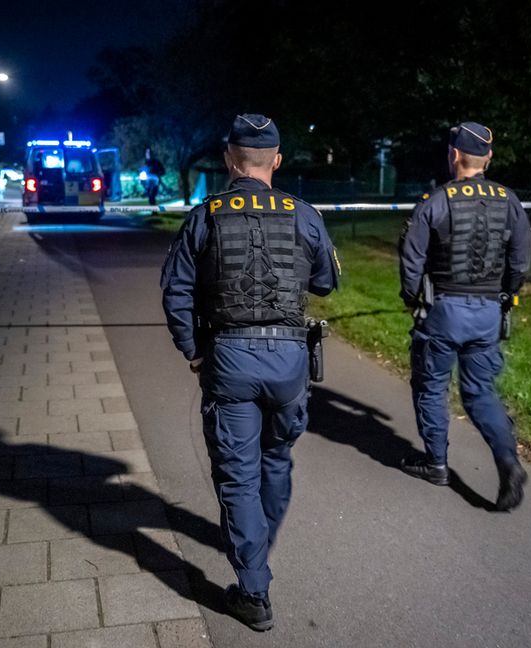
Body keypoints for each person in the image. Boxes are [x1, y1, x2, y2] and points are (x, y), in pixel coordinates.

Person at [161, 113, 340, 631]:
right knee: (277, 458)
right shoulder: (304, 214)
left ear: (228, 160)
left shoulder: (207, 214)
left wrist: (194, 350)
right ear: (276, 160)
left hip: (230, 360)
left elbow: (176, 291)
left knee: (238, 478)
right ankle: (259, 544)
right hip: (289, 362)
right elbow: (326, 283)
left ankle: (254, 591)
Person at [398, 121, 531, 511]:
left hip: (443, 311)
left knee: (431, 387)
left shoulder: (435, 201)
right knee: (480, 393)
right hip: (488, 313)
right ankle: (508, 461)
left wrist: (413, 300)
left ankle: (436, 463)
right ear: (488, 158)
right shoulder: (510, 201)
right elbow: (520, 263)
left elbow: (412, 262)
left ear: (454, 155)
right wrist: (503, 295)